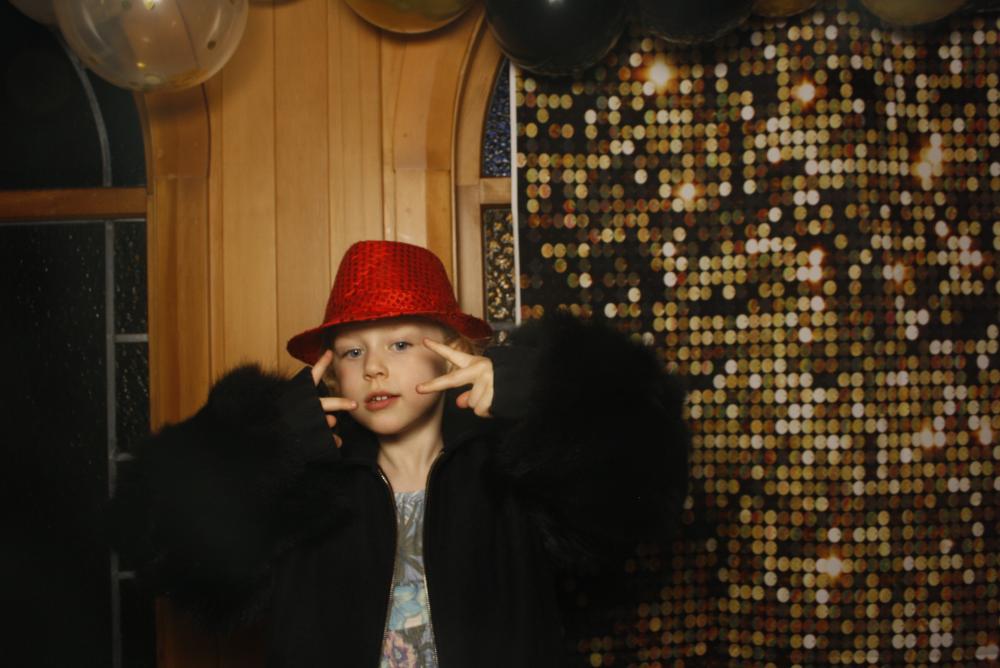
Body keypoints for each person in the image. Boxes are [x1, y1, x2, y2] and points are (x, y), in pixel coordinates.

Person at [112, 240, 690, 667]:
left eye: (400, 342)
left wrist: (541, 396)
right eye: (352, 351)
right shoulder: (303, 486)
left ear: (452, 351)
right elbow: (152, 537)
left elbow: (648, 485)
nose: (375, 367)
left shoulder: (513, 470)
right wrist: (262, 444)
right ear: (330, 372)